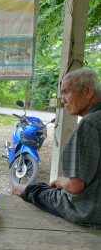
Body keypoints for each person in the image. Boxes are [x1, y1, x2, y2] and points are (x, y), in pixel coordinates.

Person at [12, 68, 101, 229]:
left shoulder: (89, 124)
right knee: (41, 187)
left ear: (87, 91)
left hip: (84, 210)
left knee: (24, 189)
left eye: (66, 92)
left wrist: (63, 180)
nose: (63, 100)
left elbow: (75, 186)